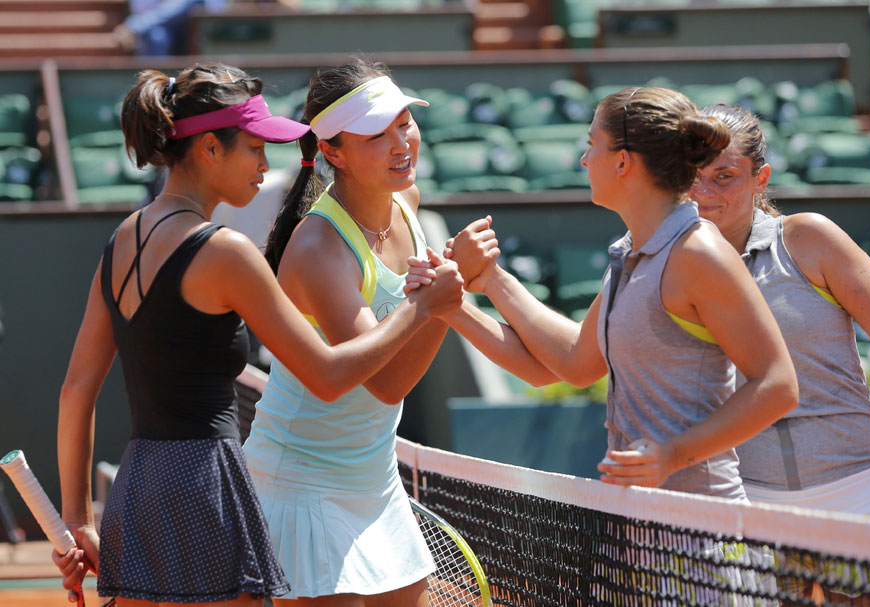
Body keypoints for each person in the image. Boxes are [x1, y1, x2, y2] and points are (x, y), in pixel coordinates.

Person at [51, 63, 464, 607]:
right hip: (209, 491)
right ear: (209, 150)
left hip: (138, 491)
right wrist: (424, 306)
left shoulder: (125, 238)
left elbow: (76, 390)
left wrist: (79, 519)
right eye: (254, 148)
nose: (267, 164)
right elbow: (329, 373)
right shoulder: (226, 252)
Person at [422, 87, 799, 500]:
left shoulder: (698, 252)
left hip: (702, 527)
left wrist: (673, 455)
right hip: (639, 520)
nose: (584, 160)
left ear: (622, 162)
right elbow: (571, 363)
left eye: (591, 145)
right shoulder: (631, 251)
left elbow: (778, 384)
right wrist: (466, 297)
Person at [242, 58, 520, 607]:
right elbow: (384, 385)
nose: (402, 144)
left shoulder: (407, 203)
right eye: (376, 133)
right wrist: (443, 293)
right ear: (332, 152)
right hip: (302, 485)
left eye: (405, 124)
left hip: (373, 478)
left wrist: (443, 293)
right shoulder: (319, 248)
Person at [689, 104, 870, 603]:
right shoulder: (671, 264)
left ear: (760, 177)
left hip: (857, 488)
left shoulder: (810, 239)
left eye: (724, 176)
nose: (704, 192)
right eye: (692, 177)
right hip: (751, 500)